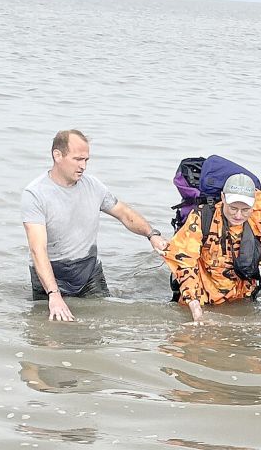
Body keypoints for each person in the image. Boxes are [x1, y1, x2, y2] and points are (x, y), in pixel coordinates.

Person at [21, 129, 168, 322]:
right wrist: (54, 294)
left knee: (98, 330)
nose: (83, 166)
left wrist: (152, 234)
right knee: (50, 337)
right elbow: (37, 250)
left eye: (86, 160)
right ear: (57, 155)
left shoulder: (93, 186)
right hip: (50, 276)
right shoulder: (35, 194)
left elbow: (124, 213)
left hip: (88, 272)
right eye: (77, 159)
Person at [163, 173, 261, 326]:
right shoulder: (202, 217)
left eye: (245, 210)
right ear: (223, 198)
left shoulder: (258, 221)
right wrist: (198, 315)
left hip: (240, 298)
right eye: (233, 208)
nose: (238, 215)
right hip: (201, 299)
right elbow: (185, 265)